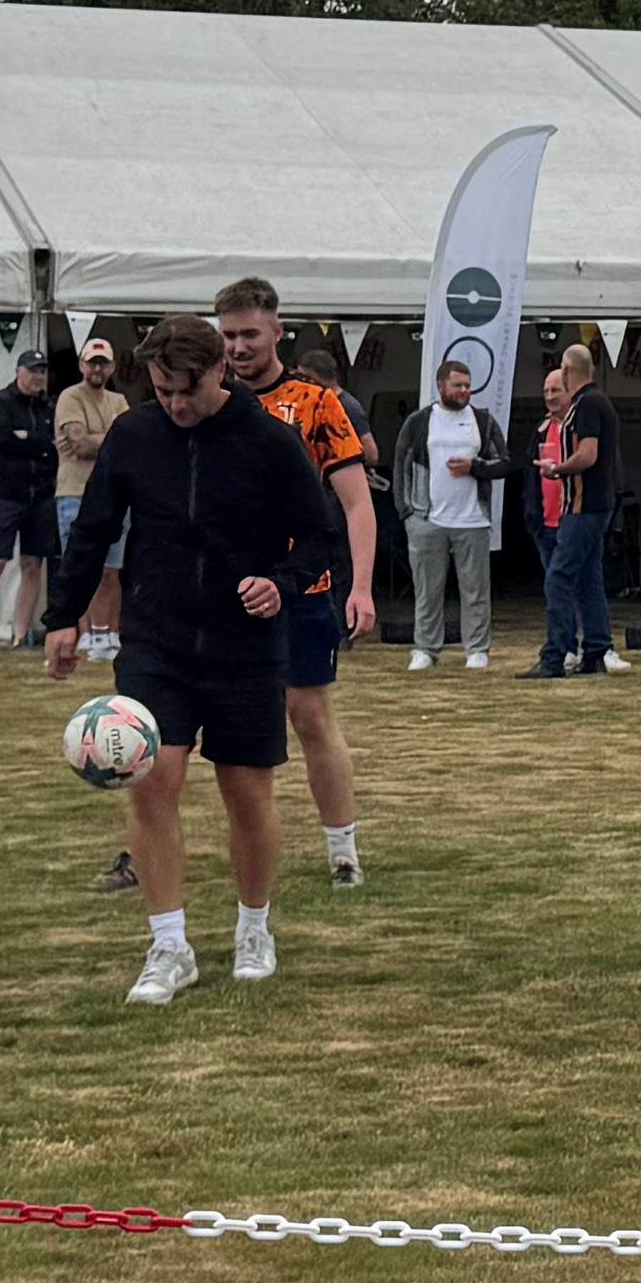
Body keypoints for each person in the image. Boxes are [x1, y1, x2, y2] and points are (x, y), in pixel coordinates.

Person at [48, 311, 344, 1000]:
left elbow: (318, 537)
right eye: (162, 390)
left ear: (221, 373)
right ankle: (169, 945)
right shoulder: (134, 434)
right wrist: (62, 617)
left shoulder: (270, 442)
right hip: (157, 641)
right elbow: (94, 529)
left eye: (187, 390)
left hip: (245, 647)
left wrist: (282, 581)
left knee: (247, 794)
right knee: (152, 781)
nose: (176, 405)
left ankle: (253, 926)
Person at [210, 281, 377, 887]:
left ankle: (343, 851)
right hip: (225, 590)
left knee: (308, 713)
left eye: (249, 334)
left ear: (278, 332)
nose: (238, 347)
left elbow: (357, 504)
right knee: (207, 721)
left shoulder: (315, 404)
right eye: (227, 336)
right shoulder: (208, 400)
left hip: (303, 586)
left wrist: (361, 587)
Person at [401, 350, 508, 671]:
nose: (465, 391)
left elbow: (504, 462)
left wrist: (474, 466)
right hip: (427, 518)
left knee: (476, 589)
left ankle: (476, 648)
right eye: (458, 385)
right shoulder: (420, 422)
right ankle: (425, 648)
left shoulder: (483, 421)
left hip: (472, 519)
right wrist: (407, 511)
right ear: (441, 387)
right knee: (427, 590)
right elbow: (401, 465)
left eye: (468, 386)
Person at [525, 343, 619, 676]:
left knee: (559, 578)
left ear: (567, 372)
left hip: (583, 506)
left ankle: (556, 654)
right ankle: (595, 650)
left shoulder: (587, 405)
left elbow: (588, 455)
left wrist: (557, 469)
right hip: (593, 505)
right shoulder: (596, 402)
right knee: (589, 580)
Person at [0, 340, 61, 652]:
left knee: (33, 564)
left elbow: (54, 447)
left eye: (43, 372)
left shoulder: (49, 408)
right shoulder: (0, 402)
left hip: (41, 496)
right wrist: (39, 444)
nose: (38, 377)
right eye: (33, 371)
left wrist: (30, 439)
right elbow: (1, 442)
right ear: (18, 372)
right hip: (5, 495)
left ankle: (21, 635)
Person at [52, 335, 134, 662]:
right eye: (92, 362)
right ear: (81, 365)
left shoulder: (119, 400)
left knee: (113, 569)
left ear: (112, 367)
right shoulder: (70, 397)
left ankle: (109, 632)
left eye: (103, 362)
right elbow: (79, 442)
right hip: (74, 491)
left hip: (114, 493)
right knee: (80, 566)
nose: (97, 368)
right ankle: (85, 633)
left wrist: (96, 440)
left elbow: (128, 442)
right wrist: (110, 440)